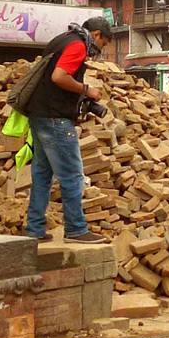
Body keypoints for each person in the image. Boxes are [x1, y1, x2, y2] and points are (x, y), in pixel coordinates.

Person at [24, 15, 116, 245]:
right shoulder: (77, 45)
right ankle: (76, 229)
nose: (99, 49)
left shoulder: (62, 39)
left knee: (42, 174)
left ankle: (34, 229)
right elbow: (59, 76)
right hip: (55, 118)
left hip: (39, 114)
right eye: (102, 44)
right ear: (96, 35)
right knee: (72, 175)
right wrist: (86, 90)